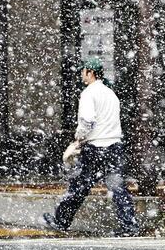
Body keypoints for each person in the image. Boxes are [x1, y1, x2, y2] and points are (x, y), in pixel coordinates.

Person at [42, 58, 139, 236]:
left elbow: (87, 121)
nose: (81, 74)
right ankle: (129, 225)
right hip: (114, 146)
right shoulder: (111, 94)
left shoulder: (88, 93)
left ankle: (61, 221)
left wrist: (78, 138)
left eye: (83, 71)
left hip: (95, 147)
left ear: (90, 73)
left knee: (79, 186)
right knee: (117, 187)